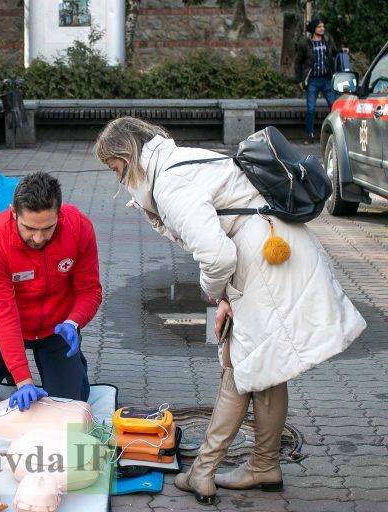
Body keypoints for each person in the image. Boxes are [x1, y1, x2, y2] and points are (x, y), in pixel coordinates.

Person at [94, 117, 365, 505]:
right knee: (266, 366)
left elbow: (218, 255)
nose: (117, 178)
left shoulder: (170, 183)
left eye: (115, 168)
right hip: (273, 249)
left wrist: (213, 293)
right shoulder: (177, 160)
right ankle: (263, 465)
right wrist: (225, 295)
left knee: (239, 364)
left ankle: (205, 471)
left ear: (127, 154)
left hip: (262, 259)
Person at [0, 172, 102, 411]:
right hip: (3, 328)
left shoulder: (79, 227)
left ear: (59, 213)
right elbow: (3, 315)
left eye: (48, 228)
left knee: (69, 407)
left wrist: (74, 322)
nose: (38, 237)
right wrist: (23, 380)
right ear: (13, 212)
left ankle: (69, 367)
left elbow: (90, 290)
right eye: (29, 228)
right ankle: (10, 367)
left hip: (56, 329)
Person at [295, 17, 339, 145]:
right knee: (311, 109)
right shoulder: (304, 43)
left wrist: (343, 51)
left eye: (323, 27)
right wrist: (299, 80)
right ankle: (309, 135)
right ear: (314, 29)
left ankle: (335, 133)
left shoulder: (328, 40)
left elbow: (334, 53)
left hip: (327, 79)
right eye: (319, 27)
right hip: (312, 80)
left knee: (334, 106)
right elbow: (298, 63)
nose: (322, 29)